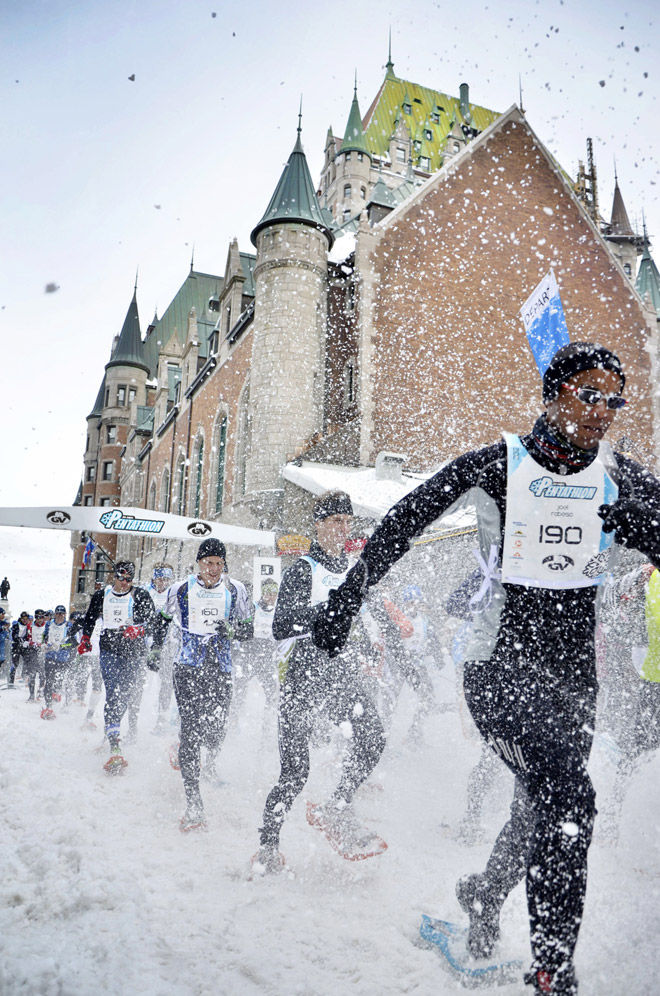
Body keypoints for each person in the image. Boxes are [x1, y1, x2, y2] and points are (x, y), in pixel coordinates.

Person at [312, 343, 660, 996]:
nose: (603, 411)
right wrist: (346, 597)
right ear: (554, 395)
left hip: (571, 681)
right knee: (569, 794)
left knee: (540, 808)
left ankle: (482, 895)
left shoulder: (621, 478)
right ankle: (554, 972)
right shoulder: (503, 465)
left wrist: (639, 528)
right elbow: (402, 521)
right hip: (497, 669)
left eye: (615, 399)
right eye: (589, 394)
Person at [254, 490, 387, 874]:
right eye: (334, 522)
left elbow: (359, 618)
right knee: (295, 772)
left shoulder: (352, 570)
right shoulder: (303, 569)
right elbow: (282, 626)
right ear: (318, 524)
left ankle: (336, 806)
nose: (342, 529)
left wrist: (374, 638)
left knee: (373, 739)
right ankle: (267, 847)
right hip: (304, 673)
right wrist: (329, 610)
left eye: (347, 522)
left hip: (340, 672)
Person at [158, 538, 253, 831]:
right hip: (187, 666)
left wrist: (234, 630)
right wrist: (154, 648)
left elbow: (250, 629)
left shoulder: (236, 590)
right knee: (191, 729)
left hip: (221, 668)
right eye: (208, 563)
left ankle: (208, 761)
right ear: (198, 563)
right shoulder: (180, 589)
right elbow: (160, 621)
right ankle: (194, 803)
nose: (213, 569)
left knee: (217, 727)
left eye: (219, 563)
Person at [79, 561, 157, 771]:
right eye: (121, 578)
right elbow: (90, 618)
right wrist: (85, 638)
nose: (124, 583)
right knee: (114, 692)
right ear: (114, 576)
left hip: (133, 651)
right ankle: (114, 745)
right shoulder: (102, 595)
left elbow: (153, 622)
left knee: (126, 695)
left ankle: (110, 730)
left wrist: (139, 630)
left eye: (128, 579)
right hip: (109, 648)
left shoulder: (140, 595)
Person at [145, 563, 178, 736]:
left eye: (166, 579)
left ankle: (162, 718)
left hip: (167, 645)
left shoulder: (173, 594)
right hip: (146, 642)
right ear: (154, 578)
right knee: (142, 681)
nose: (163, 583)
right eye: (160, 579)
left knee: (166, 682)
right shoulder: (146, 592)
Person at [9, 610, 31, 689]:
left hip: (24, 647)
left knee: (27, 660)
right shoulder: (16, 625)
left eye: (26, 619)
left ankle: (24, 677)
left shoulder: (29, 626)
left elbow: (29, 636)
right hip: (16, 647)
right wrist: (20, 640)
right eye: (23, 618)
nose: (24, 620)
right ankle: (11, 681)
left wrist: (26, 642)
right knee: (15, 663)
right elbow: (14, 636)